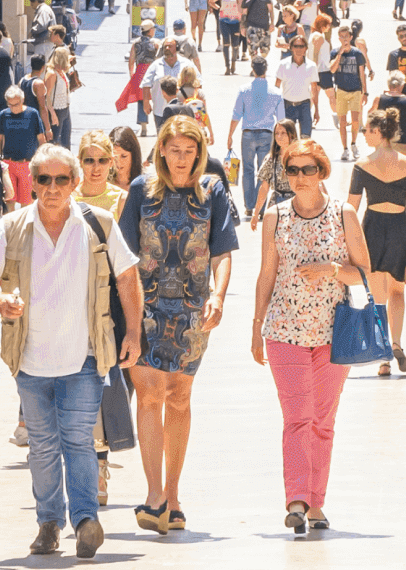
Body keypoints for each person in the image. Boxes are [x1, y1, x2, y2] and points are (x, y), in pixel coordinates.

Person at [0, 146, 144, 560]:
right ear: (32, 183)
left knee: (79, 440)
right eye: (43, 179)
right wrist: (0, 301)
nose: (51, 188)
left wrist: (133, 331)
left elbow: (127, 275)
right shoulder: (12, 227)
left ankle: (85, 521)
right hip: (29, 361)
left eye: (61, 179)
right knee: (44, 445)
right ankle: (49, 522)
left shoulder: (96, 224)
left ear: (74, 183)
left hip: (83, 358)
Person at [117, 117, 240, 535]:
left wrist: (218, 295)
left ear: (199, 152)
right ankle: (154, 497)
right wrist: (127, 315)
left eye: (190, 150)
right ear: (162, 150)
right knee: (150, 394)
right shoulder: (141, 190)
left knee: (180, 397)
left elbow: (222, 253)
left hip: (191, 310)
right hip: (145, 307)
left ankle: (173, 493)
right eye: (175, 149)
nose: (182, 158)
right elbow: (124, 255)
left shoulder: (213, 191)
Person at [249, 135, 371, 535]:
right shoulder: (275, 216)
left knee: (323, 420)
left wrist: (332, 270)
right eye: (292, 170)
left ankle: (316, 503)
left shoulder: (343, 214)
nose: (300, 177)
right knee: (297, 418)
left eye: (308, 169)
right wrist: (256, 325)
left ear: (322, 172)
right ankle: (297, 499)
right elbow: (267, 273)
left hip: (333, 334)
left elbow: (363, 273)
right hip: (284, 330)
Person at [345, 107, 406, 376]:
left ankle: (384, 357)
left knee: (377, 296)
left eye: (367, 130)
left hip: (373, 229)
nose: (364, 134)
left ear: (378, 132)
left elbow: (351, 208)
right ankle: (397, 343)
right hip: (399, 228)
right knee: (398, 292)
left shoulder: (362, 165)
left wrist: (344, 242)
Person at [226, 56, 284, 221]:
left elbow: (236, 114)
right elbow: (281, 118)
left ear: (252, 68)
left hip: (248, 134)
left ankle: (249, 207)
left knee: (248, 170)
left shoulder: (244, 90)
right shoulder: (276, 92)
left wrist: (230, 135)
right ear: (266, 70)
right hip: (267, 134)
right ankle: (260, 207)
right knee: (263, 172)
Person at [0, 89, 47, 205]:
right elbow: (0, 139)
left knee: (27, 202)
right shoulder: (4, 115)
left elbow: (41, 139)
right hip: (9, 164)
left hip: (27, 165)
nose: (13, 108)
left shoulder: (32, 114)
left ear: (22, 100)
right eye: (10, 105)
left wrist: (42, 161)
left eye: (16, 104)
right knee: (9, 199)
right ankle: (10, 223)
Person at [329, 26, 370, 160]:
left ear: (351, 37)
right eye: (342, 36)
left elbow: (362, 73)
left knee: (355, 120)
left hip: (355, 90)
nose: (344, 39)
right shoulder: (335, 52)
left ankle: (353, 143)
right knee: (342, 121)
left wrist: (365, 92)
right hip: (341, 90)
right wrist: (340, 54)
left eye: (347, 36)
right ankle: (345, 148)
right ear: (339, 38)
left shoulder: (357, 53)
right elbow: (332, 70)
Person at [271, 36, 321, 138]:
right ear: (291, 48)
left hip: (304, 106)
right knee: (289, 139)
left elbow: (314, 89)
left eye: (301, 46)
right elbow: (276, 87)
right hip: (287, 106)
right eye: (296, 46)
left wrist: (316, 110)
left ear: (306, 48)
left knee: (306, 139)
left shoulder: (311, 66)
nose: (299, 49)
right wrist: (274, 107)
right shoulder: (283, 64)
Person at [75, 131, 129, 215]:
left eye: (102, 160)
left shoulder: (121, 199)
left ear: (111, 162)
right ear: (80, 162)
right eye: (89, 160)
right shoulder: (68, 196)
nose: (96, 168)